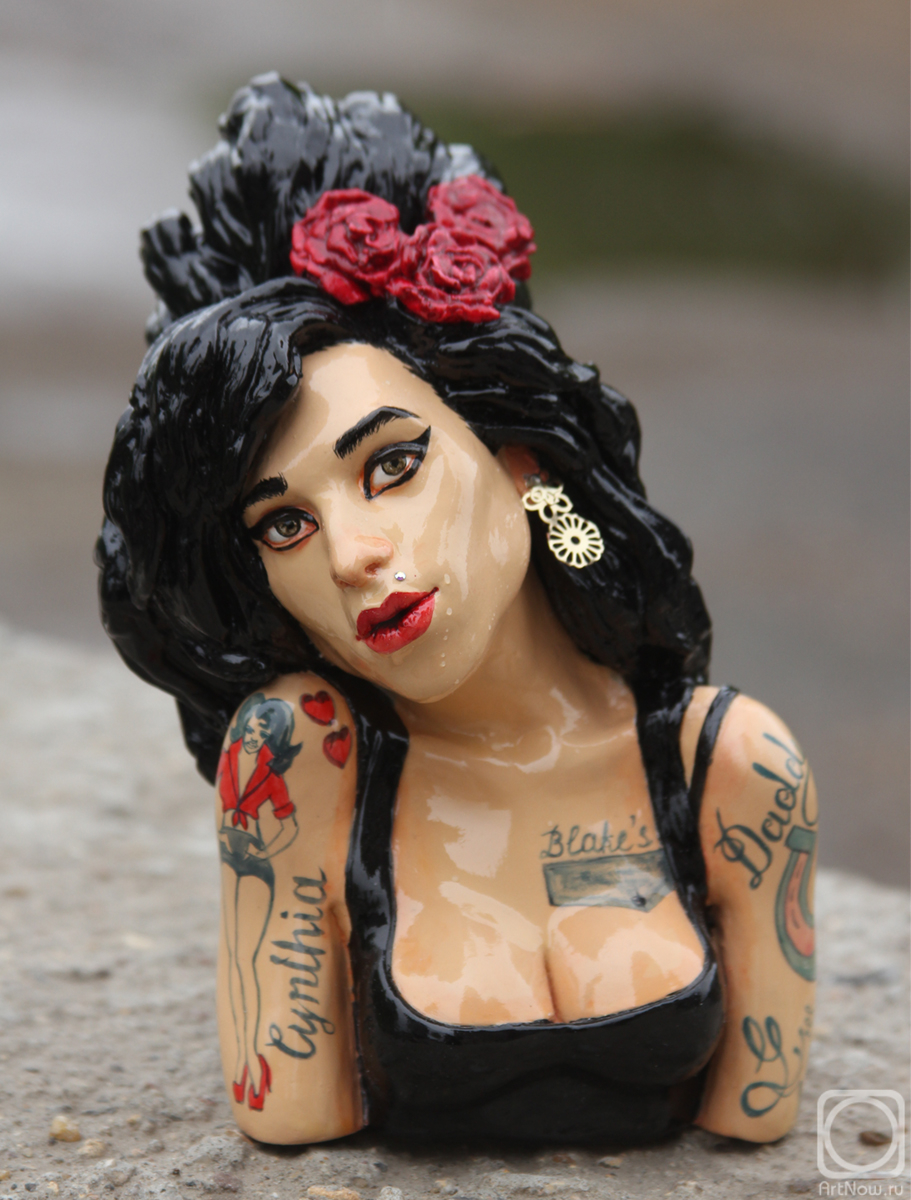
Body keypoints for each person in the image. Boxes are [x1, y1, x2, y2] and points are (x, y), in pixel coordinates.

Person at [97, 73, 817, 1147]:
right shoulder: (305, 763)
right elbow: (289, 1113)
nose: (351, 554)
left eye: (392, 465)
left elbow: (759, 1113)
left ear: (519, 462)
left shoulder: (728, 766)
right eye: (283, 525)